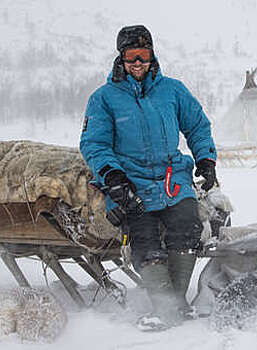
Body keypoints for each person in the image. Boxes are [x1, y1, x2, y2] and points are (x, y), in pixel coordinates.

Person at [79, 25, 217, 331]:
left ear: (152, 56)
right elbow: (94, 144)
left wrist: (206, 159)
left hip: (172, 178)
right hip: (131, 181)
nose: (137, 63)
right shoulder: (103, 98)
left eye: (143, 55)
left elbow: (197, 126)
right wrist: (113, 176)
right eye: (131, 56)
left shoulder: (173, 90)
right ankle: (168, 307)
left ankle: (173, 305)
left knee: (188, 226)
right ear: (121, 58)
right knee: (145, 238)